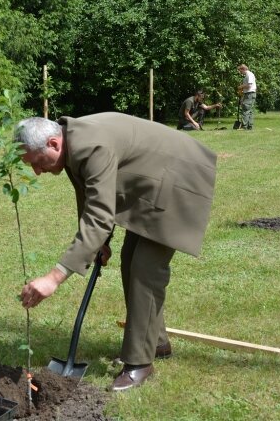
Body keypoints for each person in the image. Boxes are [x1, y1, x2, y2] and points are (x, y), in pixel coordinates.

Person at [16, 113, 217, 392]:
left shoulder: (90, 146)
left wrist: (54, 277)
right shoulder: (71, 142)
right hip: (151, 179)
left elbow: (98, 218)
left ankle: (139, 363)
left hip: (177, 177)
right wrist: (100, 243)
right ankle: (156, 342)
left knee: (145, 270)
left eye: (37, 162)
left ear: (53, 143)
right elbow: (90, 198)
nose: (37, 171)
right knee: (130, 261)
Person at [237, 64, 257, 130]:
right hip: (249, 94)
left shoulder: (249, 74)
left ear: (243, 69)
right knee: (249, 110)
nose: (240, 72)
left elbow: (249, 85)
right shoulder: (248, 75)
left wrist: (241, 87)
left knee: (246, 109)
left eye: (240, 71)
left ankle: (244, 126)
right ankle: (249, 126)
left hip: (250, 94)